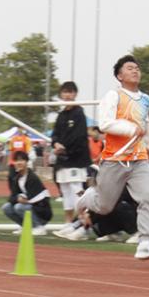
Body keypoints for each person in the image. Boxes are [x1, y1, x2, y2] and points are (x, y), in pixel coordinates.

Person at [74, 55, 149, 259]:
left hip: (138, 159)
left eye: (137, 68)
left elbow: (146, 122)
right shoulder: (113, 96)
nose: (135, 71)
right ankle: (89, 197)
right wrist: (131, 129)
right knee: (105, 206)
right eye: (130, 68)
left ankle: (145, 242)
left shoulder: (145, 99)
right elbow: (105, 124)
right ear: (119, 75)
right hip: (115, 159)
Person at [50, 82, 91, 238]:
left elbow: (79, 137)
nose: (67, 95)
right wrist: (55, 143)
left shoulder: (79, 113)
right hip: (62, 161)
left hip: (76, 160)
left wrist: (64, 147)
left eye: (70, 92)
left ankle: (82, 224)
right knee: (66, 192)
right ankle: (68, 223)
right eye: (64, 92)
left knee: (76, 191)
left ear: (75, 94)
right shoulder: (61, 115)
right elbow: (54, 134)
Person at [3, 150, 53, 235]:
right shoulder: (16, 178)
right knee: (6, 207)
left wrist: (25, 201)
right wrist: (18, 198)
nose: (19, 163)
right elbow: (12, 197)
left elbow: (39, 199)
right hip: (29, 206)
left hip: (42, 212)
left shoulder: (32, 178)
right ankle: (25, 227)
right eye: (17, 160)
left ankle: (38, 227)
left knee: (19, 207)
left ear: (27, 162)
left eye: (22, 160)